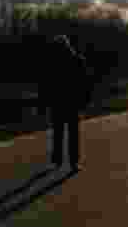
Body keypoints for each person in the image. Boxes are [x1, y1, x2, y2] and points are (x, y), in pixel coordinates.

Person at [38, 34, 92, 171]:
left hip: (59, 103)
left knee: (59, 133)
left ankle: (58, 161)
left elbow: (46, 85)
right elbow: (85, 83)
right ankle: (73, 162)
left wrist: (44, 103)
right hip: (71, 103)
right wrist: (85, 101)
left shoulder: (53, 62)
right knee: (71, 134)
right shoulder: (77, 60)